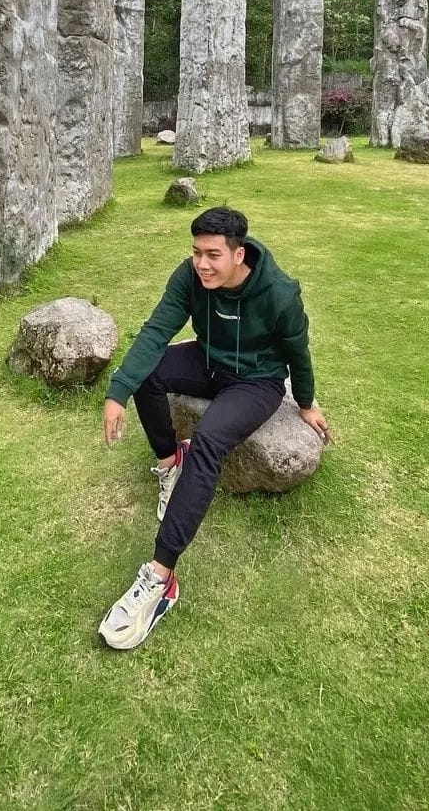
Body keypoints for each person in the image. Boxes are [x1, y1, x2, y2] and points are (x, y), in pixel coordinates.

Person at [97, 206, 330, 650]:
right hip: (209, 362)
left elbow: (298, 350)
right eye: (196, 252)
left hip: (256, 381)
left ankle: (161, 578)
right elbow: (156, 330)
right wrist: (118, 391)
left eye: (213, 255)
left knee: (209, 442)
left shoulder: (279, 293)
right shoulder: (189, 277)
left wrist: (304, 402)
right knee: (150, 373)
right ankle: (170, 463)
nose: (201, 263)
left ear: (239, 255)